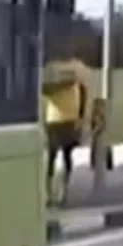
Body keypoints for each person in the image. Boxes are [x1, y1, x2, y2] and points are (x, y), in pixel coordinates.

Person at [40, 56, 92, 207]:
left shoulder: (77, 67)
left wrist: (81, 118)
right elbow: (45, 89)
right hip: (54, 120)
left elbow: (83, 93)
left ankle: (64, 193)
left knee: (66, 156)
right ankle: (48, 194)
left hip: (69, 119)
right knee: (52, 157)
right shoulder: (52, 68)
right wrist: (63, 84)